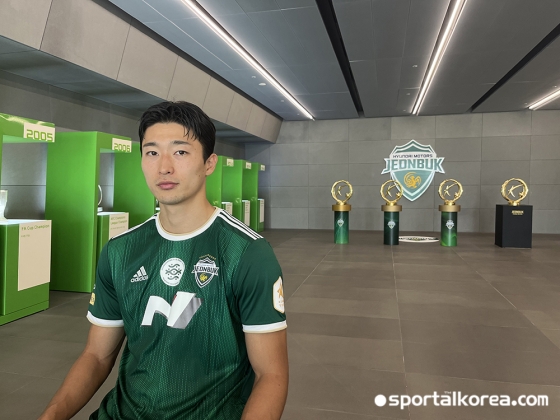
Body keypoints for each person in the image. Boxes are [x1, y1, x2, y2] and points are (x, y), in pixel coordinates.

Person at [39, 101, 288, 420]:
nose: (164, 167)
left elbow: (271, 375)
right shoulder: (119, 251)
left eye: (180, 152)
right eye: (152, 152)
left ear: (209, 163)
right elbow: (97, 356)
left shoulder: (247, 253)